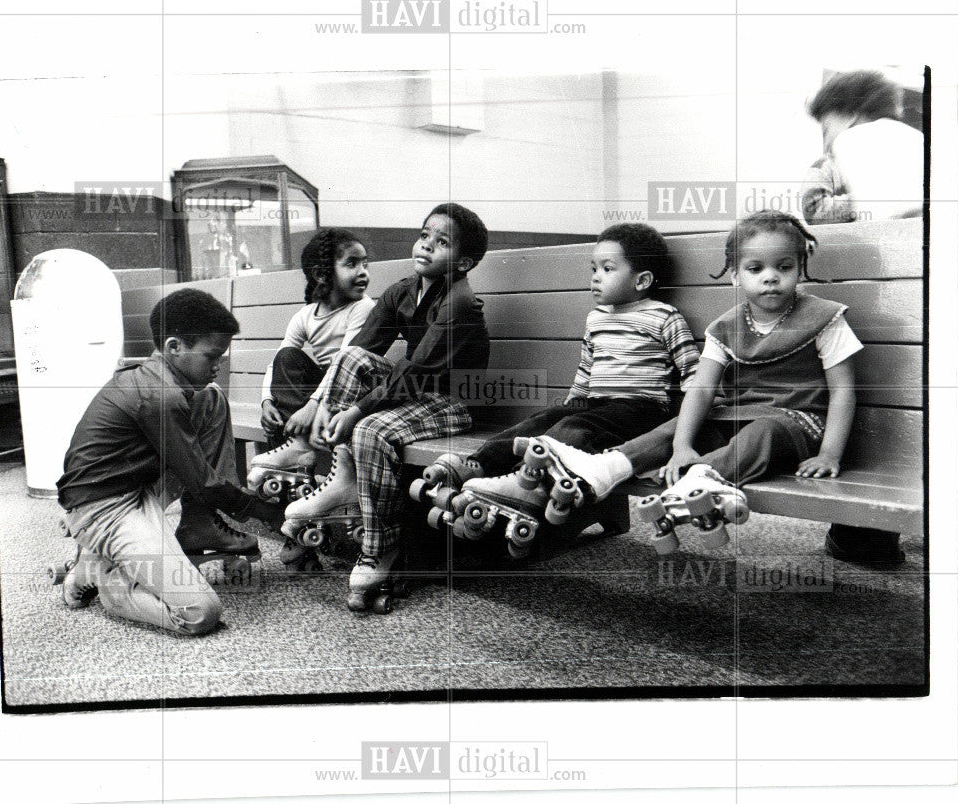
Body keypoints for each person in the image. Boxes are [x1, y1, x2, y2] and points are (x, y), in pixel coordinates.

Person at [515, 211, 885, 554]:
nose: (770, 276)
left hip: (798, 421)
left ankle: (702, 481)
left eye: (784, 267)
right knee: (680, 425)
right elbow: (702, 390)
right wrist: (681, 445)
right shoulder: (725, 326)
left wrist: (830, 453)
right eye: (756, 268)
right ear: (736, 274)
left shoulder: (824, 317)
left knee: (764, 432)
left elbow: (842, 391)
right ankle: (604, 469)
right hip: (742, 411)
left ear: (800, 269)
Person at [281, 203, 490, 609]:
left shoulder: (459, 301)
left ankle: (382, 547)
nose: (426, 245)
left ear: (463, 262)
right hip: (416, 395)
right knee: (350, 359)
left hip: (454, 401)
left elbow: (413, 371)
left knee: (370, 430)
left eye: (441, 242)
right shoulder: (402, 290)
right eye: (425, 235)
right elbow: (361, 350)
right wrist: (321, 401)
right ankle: (343, 472)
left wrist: (356, 410)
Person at [423, 223, 700, 523]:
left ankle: (524, 482)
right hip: (597, 405)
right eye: (593, 268)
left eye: (608, 269)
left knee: (574, 426)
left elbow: (693, 373)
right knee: (543, 420)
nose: (595, 277)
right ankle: (478, 464)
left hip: (639, 410)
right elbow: (586, 370)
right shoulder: (596, 319)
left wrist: (683, 426)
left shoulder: (664, 317)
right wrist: (569, 404)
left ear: (642, 280)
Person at [55, 288, 285, 635]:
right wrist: (268, 512)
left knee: (210, 398)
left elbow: (200, 473)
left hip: (137, 483)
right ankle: (105, 582)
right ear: (174, 347)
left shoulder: (163, 381)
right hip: (102, 507)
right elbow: (204, 482)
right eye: (212, 356)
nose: (219, 364)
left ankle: (198, 524)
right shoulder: (160, 397)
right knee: (199, 613)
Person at [246, 229, 376, 506]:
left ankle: (293, 473)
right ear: (321, 274)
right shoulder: (306, 315)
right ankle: (291, 480)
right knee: (288, 360)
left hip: (355, 392)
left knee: (288, 415)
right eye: (352, 264)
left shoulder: (362, 308)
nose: (363, 272)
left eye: (365, 263)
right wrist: (266, 400)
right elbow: (278, 361)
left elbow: (345, 363)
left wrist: (312, 406)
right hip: (323, 395)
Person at [802, 70, 922, 224]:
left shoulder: (850, 140)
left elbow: (880, 213)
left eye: (826, 129)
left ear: (850, 116)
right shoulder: (913, 136)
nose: (827, 142)